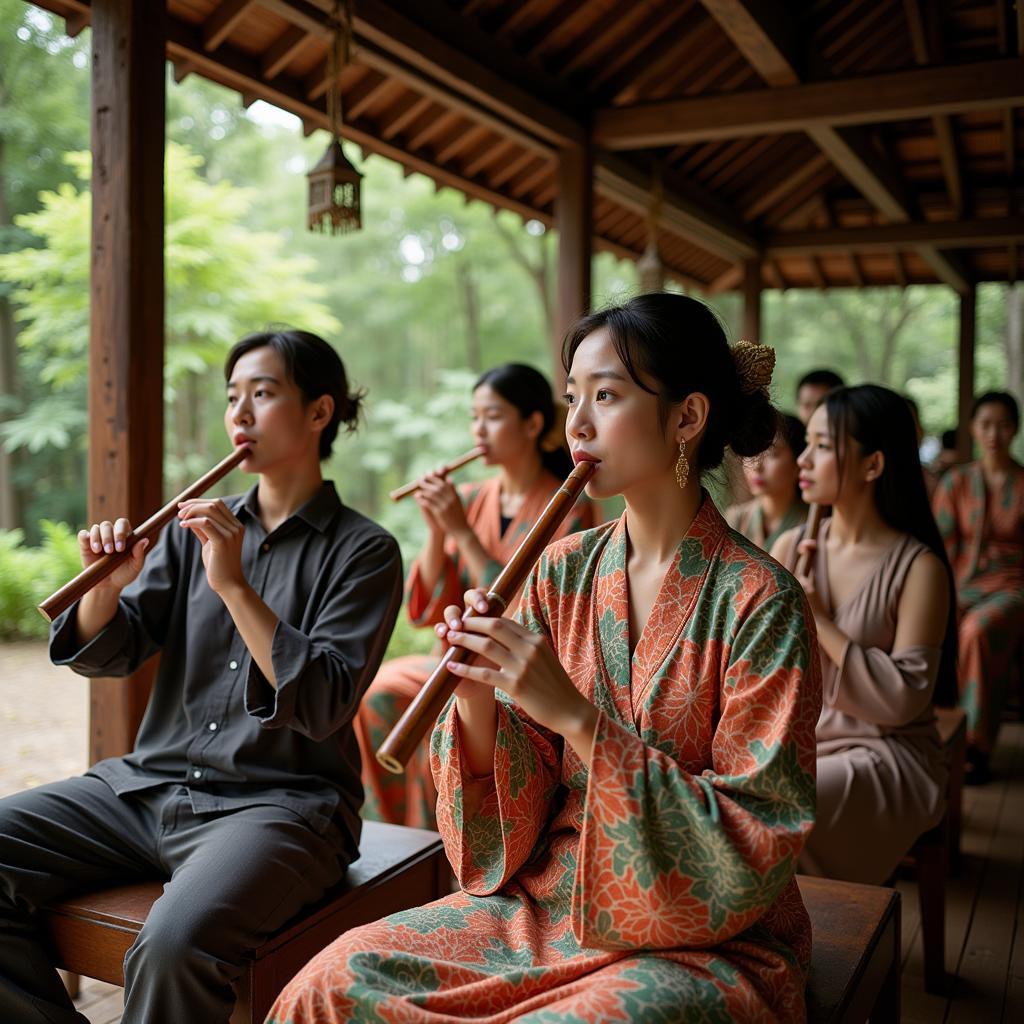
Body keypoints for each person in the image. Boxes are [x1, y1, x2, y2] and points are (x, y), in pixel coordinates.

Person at [269, 293, 822, 1023]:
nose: (579, 423)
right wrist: (475, 697)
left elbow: (758, 837)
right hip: (547, 905)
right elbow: (515, 795)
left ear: (687, 417)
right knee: (330, 983)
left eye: (608, 395)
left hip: (703, 940)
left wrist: (576, 717)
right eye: (573, 398)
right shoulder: (561, 571)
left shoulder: (761, 599)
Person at [0, 329, 403, 1024]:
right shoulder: (197, 533)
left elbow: (324, 702)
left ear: (319, 413)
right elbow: (111, 653)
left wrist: (237, 587)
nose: (240, 413)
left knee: (174, 944)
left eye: (264, 392)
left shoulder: (364, 550)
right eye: (232, 396)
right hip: (148, 786)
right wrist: (107, 586)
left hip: (282, 806)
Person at [355, 363, 596, 830]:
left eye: (492, 416)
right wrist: (435, 530)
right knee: (379, 693)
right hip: (451, 654)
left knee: (436, 708)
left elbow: (529, 609)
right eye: (474, 417)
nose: (478, 429)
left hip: (518, 669)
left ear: (532, 424)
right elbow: (427, 609)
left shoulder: (569, 505)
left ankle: (441, 847)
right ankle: (398, 835)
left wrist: (462, 534)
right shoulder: (466, 497)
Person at [772, 385, 956, 884]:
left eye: (824, 446)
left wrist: (820, 619)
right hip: (800, 740)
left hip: (886, 754)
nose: (803, 459)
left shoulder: (920, 568)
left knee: (777, 808)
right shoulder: (792, 546)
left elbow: (903, 700)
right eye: (806, 443)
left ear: (873, 465)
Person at [932, 391, 1024, 783]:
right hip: (961, 582)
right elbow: (939, 543)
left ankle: (976, 745)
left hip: (1013, 587)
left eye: (1003, 424)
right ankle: (932, 735)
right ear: (972, 427)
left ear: (1015, 429)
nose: (993, 433)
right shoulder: (956, 482)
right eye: (985, 424)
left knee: (977, 631)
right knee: (936, 621)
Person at [727, 412, 807, 551]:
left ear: (798, 462)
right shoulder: (735, 519)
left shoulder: (812, 523)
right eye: (752, 451)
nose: (757, 466)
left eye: (772, 454)